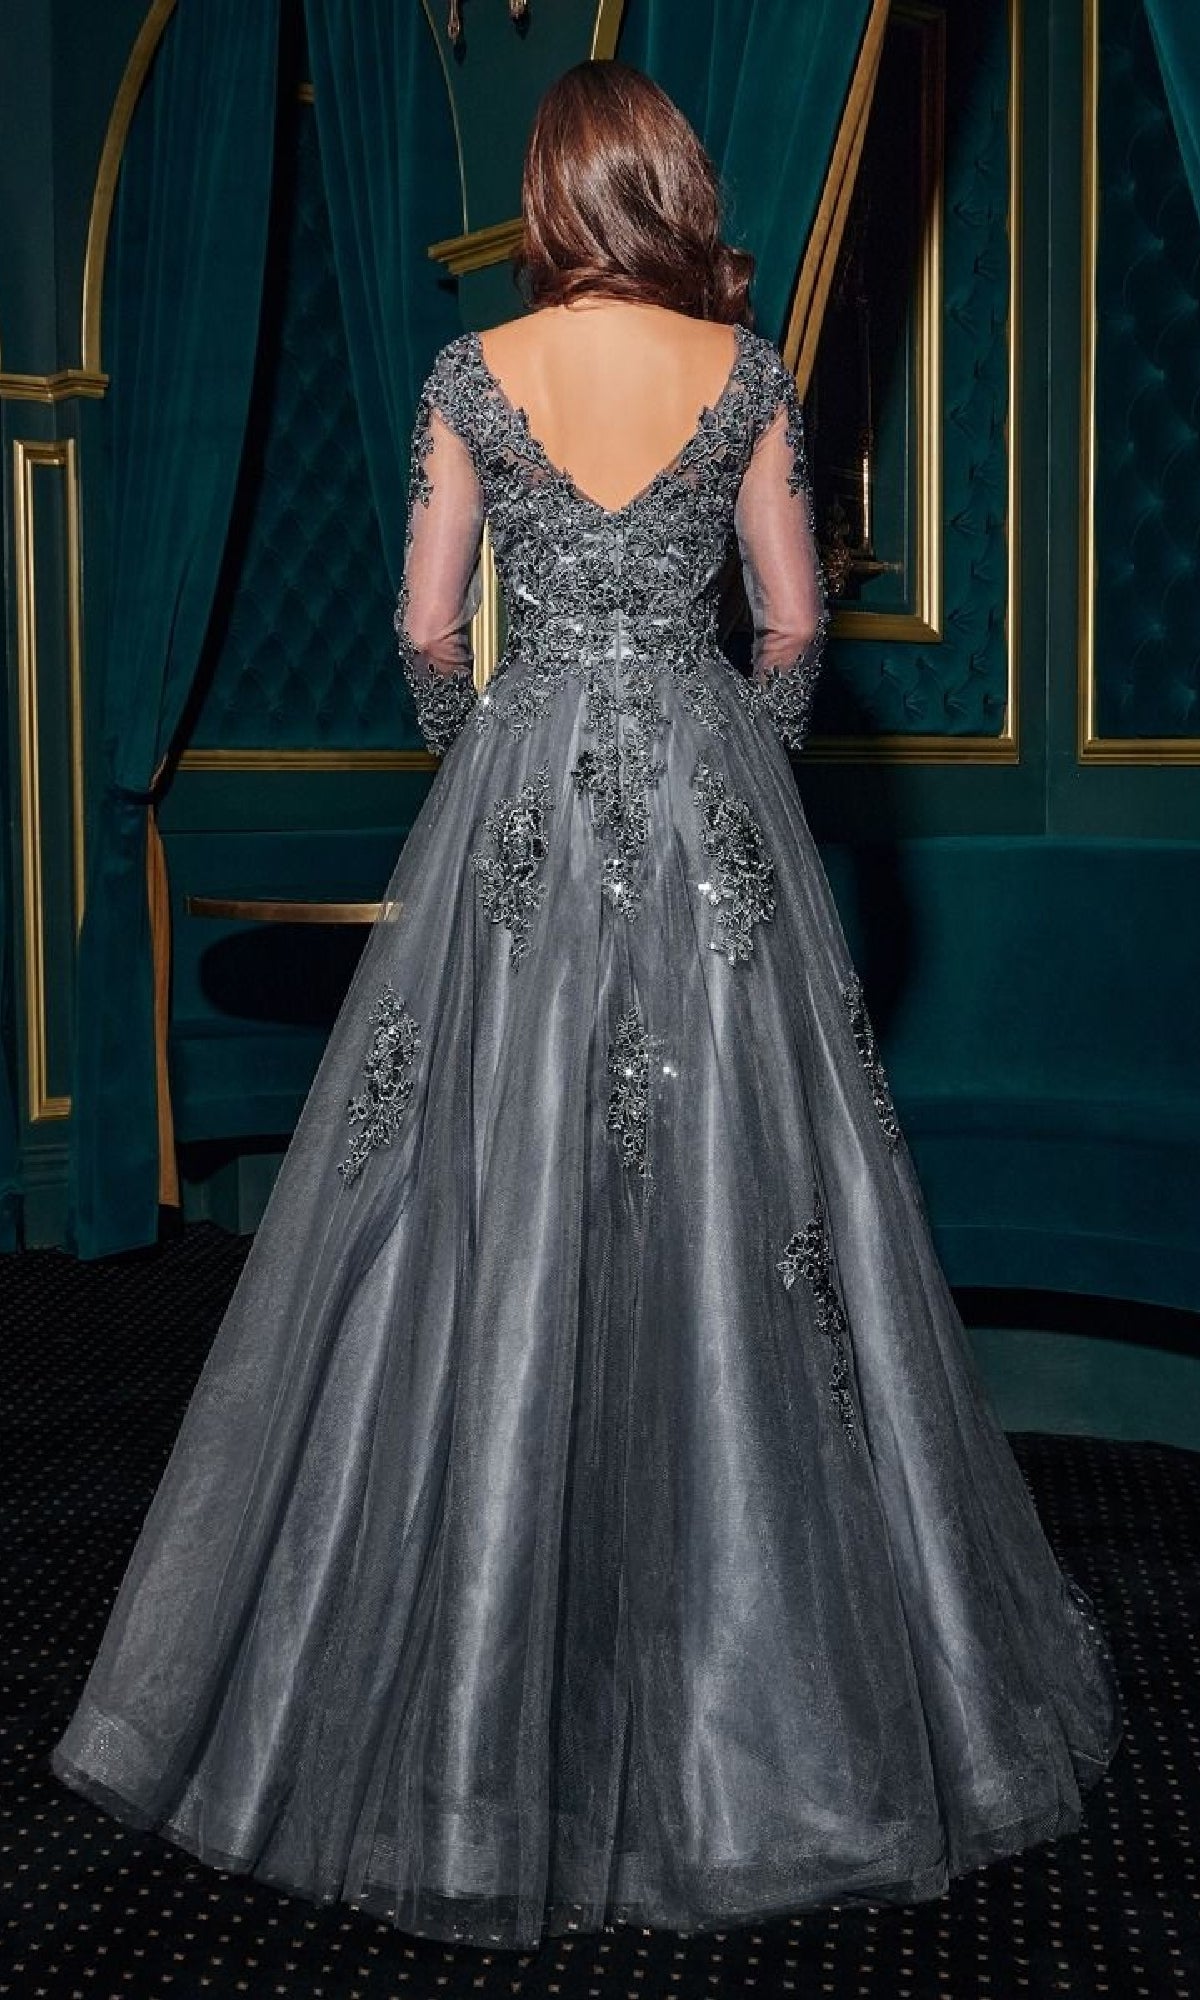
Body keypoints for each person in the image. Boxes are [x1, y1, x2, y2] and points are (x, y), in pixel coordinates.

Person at [51, 59, 1122, 1953]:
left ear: (551, 198)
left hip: (525, 807)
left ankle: (452, 1713)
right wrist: (735, 765)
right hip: (713, 816)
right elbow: (792, 620)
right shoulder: (754, 370)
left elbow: (418, 622)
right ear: (673, 185)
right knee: (762, 1221)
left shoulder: (476, 372)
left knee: (474, 1207)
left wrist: (493, 766)